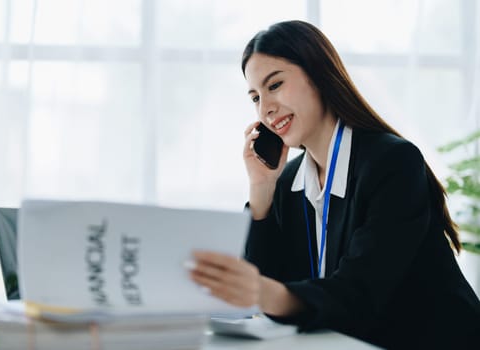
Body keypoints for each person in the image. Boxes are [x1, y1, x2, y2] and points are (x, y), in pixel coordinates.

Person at [189, 20, 480, 349]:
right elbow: (266, 294)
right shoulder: (287, 182)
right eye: (255, 97)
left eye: (275, 85)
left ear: (317, 75)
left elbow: (361, 291)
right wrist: (261, 190)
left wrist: (261, 290)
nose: (265, 108)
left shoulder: (392, 163)